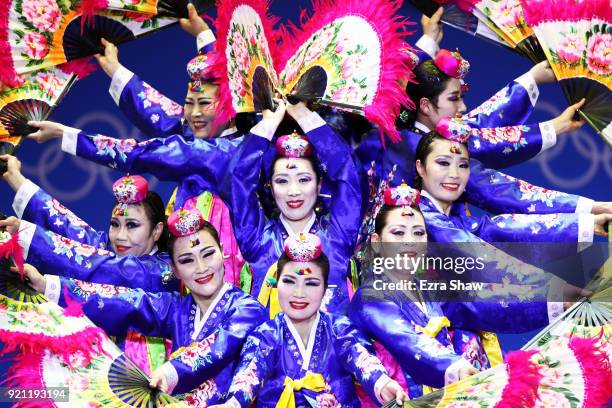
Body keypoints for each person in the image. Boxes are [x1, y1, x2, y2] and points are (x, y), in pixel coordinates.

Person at [348, 184, 585, 399]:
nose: (409, 242)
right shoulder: (372, 296)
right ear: (377, 242)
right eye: (398, 233)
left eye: (418, 233)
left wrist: (555, 301)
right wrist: (456, 367)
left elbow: (480, 304)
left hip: (461, 390)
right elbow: (407, 340)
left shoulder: (430, 285)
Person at [16, 208, 266, 403]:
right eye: (187, 260)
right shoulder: (178, 308)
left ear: (223, 252)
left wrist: (168, 372)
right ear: (175, 270)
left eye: (208, 254)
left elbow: (218, 346)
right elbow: (126, 302)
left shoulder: (247, 309)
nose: (201, 268)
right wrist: (47, 285)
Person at [357, 46, 612, 218]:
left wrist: (532, 80)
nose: (463, 107)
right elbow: (503, 188)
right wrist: (587, 208)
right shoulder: (426, 149)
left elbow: (478, 123)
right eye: (454, 99)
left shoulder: (397, 136)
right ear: (425, 105)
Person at [213, 233, 408, 407]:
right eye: (289, 281)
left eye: (311, 283)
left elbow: (362, 359)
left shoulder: (339, 328)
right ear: (276, 284)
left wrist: (383, 383)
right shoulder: (266, 335)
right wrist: (232, 403)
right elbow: (249, 372)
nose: (299, 293)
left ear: (324, 289)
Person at [230, 99, 362, 313]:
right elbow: (241, 183)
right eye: (282, 181)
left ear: (319, 184)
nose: (293, 191)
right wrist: (267, 125)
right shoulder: (256, 241)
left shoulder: (338, 236)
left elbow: (346, 174)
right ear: (270, 188)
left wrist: (305, 116)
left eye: (304, 180)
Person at [414, 119, 612, 248]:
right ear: (420, 167)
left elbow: (499, 220)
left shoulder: (449, 216)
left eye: (463, 165)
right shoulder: (419, 219)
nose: (454, 174)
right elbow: (490, 235)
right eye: (442, 163)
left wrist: (588, 219)